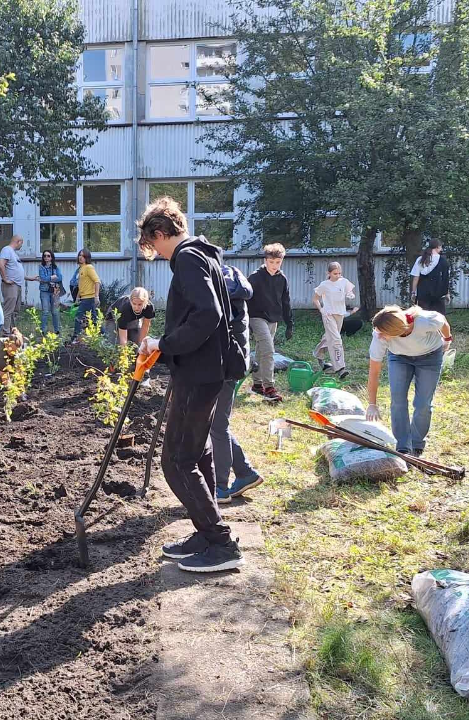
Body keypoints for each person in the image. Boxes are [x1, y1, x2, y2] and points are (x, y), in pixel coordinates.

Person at [136, 197, 244, 574]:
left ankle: (220, 543)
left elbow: (209, 314)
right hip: (206, 370)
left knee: (177, 460)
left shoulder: (186, 257)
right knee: (198, 454)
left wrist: (164, 344)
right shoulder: (204, 254)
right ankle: (205, 531)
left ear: (161, 233)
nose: (156, 253)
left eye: (153, 245)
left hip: (199, 373)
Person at [364, 306, 453, 457]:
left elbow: (443, 322)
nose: (378, 335)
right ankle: (403, 445)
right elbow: (374, 372)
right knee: (398, 400)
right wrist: (372, 404)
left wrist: (447, 339)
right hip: (399, 358)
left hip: (430, 357)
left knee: (423, 403)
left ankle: (417, 443)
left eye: (383, 333)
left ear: (397, 332)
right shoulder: (379, 335)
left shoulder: (424, 321)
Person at [213, 265, 264, 504]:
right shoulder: (236, 296)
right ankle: (245, 472)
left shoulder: (225, 301)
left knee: (218, 426)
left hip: (225, 367)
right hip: (233, 365)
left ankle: (220, 487)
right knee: (218, 423)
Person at [247, 242, 293, 401]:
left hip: (273, 318)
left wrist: (289, 324)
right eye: (271, 262)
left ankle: (257, 385)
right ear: (265, 260)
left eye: (278, 262)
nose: (274, 265)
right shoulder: (255, 277)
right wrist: (246, 323)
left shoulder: (282, 279)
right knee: (268, 349)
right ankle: (269, 387)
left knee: (261, 350)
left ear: (282, 261)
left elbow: (286, 302)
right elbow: (244, 300)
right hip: (256, 316)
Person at [312, 262, 356, 380]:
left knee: (329, 337)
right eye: (335, 273)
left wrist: (350, 295)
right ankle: (340, 368)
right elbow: (315, 299)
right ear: (329, 273)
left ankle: (318, 354)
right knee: (336, 339)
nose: (338, 275)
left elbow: (349, 292)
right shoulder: (324, 285)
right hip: (328, 314)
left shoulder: (344, 281)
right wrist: (321, 310)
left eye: (339, 273)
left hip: (340, 313)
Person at [410, 239, 451, 315]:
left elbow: (416, 278)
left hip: (423, 293)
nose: (441, 249)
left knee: (423, 317)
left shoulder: (420, 260)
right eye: (441, 247)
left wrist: (413, 293)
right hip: (438, 293)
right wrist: (447, 293)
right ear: (437, 247)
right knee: (439, 318)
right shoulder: (443, 261)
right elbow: (445, 279)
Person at [27, 250, 63, 335]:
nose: (46, 257)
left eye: (48, 256)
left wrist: (48, 279)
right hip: (44, 292)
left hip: (54, 291)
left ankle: (57, 330)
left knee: (55, 312)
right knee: (45, 311)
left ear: (51, 257)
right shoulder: (41, 267)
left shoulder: (55, 267)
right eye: (45, 256)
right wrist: (52, 277)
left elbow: (60, 278)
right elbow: (42, 279)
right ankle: (43, 331)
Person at [71, 248, 101, 342]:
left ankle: (75, 337)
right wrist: (77, 297)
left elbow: (97, 281)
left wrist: (96, 296)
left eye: (83, 256)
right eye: (80, 255)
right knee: (94, 319)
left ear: (87, 257)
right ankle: (104, 336)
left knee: (78, 316)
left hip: (89, 298)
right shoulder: (81, 269)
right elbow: (81, 284)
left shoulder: (89, 267)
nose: (81, 257)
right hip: (84, 298)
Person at [0, 235, 26, 333]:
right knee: (8, 310)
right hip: (10, 286)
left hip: (17, 285)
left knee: (15, 310)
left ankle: (12, 331)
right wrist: (5, 279)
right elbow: (1, 265)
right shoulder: (7, 250)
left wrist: (29, 278)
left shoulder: (13, 253)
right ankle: (6, 333)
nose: (21, 246)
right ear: (19, 241)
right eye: (21, 244)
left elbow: (15, 270)